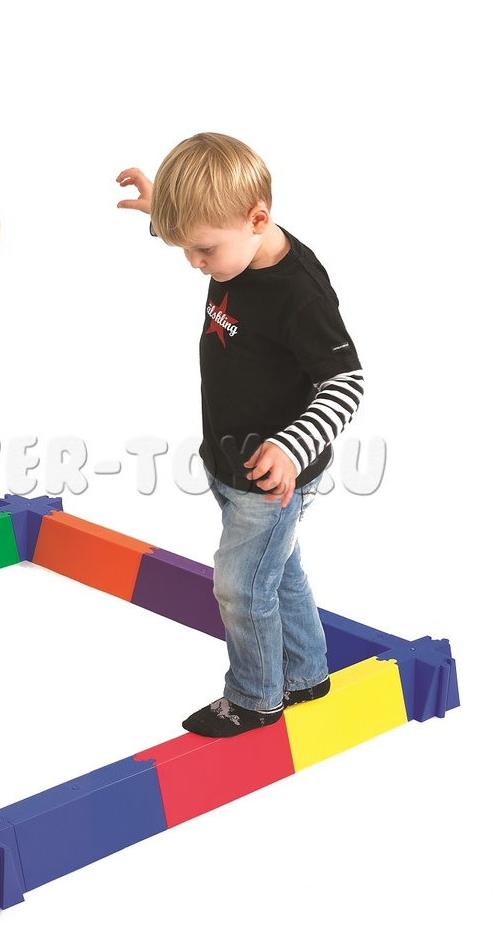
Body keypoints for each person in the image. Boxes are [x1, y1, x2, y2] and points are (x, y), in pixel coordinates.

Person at [116, 133, 364, 737]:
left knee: (239, 587)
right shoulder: (236, 243)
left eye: (202, 249)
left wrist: (291, 448)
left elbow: (346, 381)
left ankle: (255, 699)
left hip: (273, 475)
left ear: (257, 219)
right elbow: (208, 227)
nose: (194, 263)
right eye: (184, 247)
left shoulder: (298, 293)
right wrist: (164, 210)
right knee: (278, 570)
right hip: (230, 456)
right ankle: (306, 674)